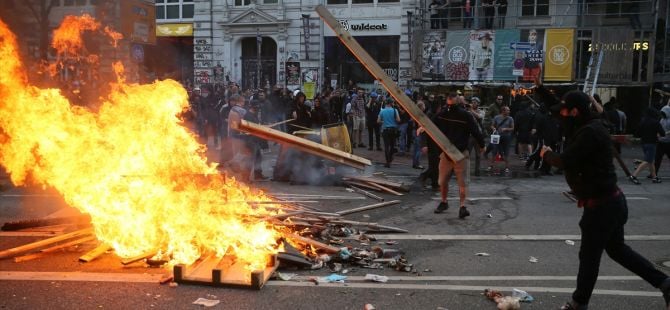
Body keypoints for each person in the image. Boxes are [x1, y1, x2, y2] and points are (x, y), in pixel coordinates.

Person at [540, 90, 670, 310]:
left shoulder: (589, 133)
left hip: (602, 206)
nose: (561, 115)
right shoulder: (588, 123)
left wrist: (546, 154)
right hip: (611, 202)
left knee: (589, 257)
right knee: (617, 250)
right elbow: (560, 109)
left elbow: (565, 161)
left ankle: (578, 303)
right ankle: (665, 283)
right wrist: (541, 89)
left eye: (565, 111)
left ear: (575, 111)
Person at [431, 92, 485, 218]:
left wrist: (482, 144)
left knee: (462, 182)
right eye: (449, 105)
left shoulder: (465, 115)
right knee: (442, 181)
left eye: (452, 105)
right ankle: (444, 202)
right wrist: (423, 127)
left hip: (461, 153)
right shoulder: (445, 113)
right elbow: (432, 122)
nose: (450, 108)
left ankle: (462, 206)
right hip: (447, 153)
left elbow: (475, 131)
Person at [629, 107, 665, 184]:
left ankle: (654, 177)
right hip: (652, 144)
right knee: (647, 161)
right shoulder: (656, 122)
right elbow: (663, 133)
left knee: (650, 161)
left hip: (644, 143)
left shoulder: (643, 121)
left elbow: (637, 133)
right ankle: (634, 176)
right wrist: (657, 134)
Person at [487, 106, 514, 174]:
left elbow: (512, 128)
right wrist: (493, 128)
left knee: (506, 152)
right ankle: (491, 165)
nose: (509, 111)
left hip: (506, 137)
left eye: (509, 110)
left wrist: (506, 129)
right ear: (503, 111)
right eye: (507, 110)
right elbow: (492, 125)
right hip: (497, 136)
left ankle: (507, 167)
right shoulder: (497, 117)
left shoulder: (510, 118)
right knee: (494, 151)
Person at [378, 98, 400, 168]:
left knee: (386, 146)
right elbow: (398, 120)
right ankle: (390, 158)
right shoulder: (395, 110)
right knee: (392, 146)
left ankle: (387, 162)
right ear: (391, 103)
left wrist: (383, 122)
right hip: (393, 130)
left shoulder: (382, 111)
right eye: (393, 103)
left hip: (385, 130)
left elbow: (378, 121)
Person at [467, 97, 484, 176]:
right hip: (469, 135)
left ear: (478, 103)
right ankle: (466, 169)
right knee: (467, 154)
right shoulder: (468, 111)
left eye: (475, 102)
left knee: (478, 154)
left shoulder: (481, 111)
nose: (473, 103)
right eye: (472, 102)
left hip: (478, 135)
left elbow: (479, 117)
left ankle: (477, 170)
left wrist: (471, 111)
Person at [412, 100, 427, 169]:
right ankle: (417, 163)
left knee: (415, 148)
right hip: (418, 131)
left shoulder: (414, 113)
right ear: (421, 107)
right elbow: (419, 125)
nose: (425, 107)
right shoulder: (420, 114)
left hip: (414, 131)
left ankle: (414, 163)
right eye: (424, 105)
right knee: (419, 148)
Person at [655, 106, 670, 176]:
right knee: (657, 158)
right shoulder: (662, 119)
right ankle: (654, 173)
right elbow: (659, 128)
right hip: (661, 141)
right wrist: (658, 134)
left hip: (668, 142)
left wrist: (665, 133)